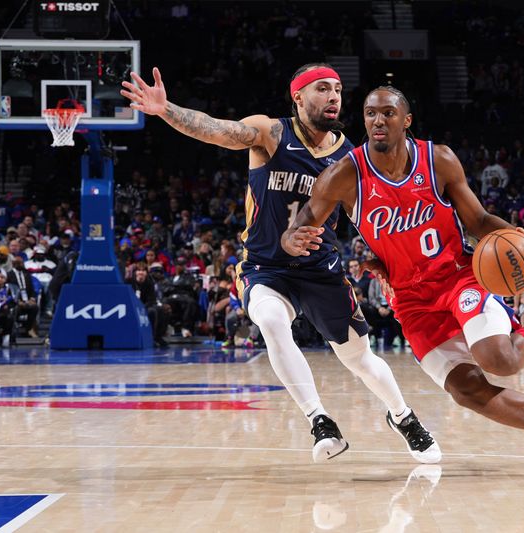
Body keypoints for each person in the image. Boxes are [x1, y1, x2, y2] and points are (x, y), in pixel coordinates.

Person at [282, 86, 524, 478]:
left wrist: (522, 237)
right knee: (466, 391)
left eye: (387, 113)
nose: (377, 121)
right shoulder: (344, 175)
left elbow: (478, 221)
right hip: (410, 299)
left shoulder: (437, 160)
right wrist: (291, 239)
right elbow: (302, 224)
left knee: (499, 360)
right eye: (370, 114)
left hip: (457, 277)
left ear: (406, 120)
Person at [121, 65, 439, 464]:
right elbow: (216, 128)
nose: (334, 96)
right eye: (323, 88)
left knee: (358, 357)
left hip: (321, 267)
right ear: (299, 97)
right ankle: (320, 421)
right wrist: (167, 110)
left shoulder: (350, 158)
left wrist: (385, 261)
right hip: (265, 266)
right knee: (270, 320)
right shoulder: (270, 134)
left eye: (338, 89)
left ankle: (403, 417)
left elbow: (370, 218)